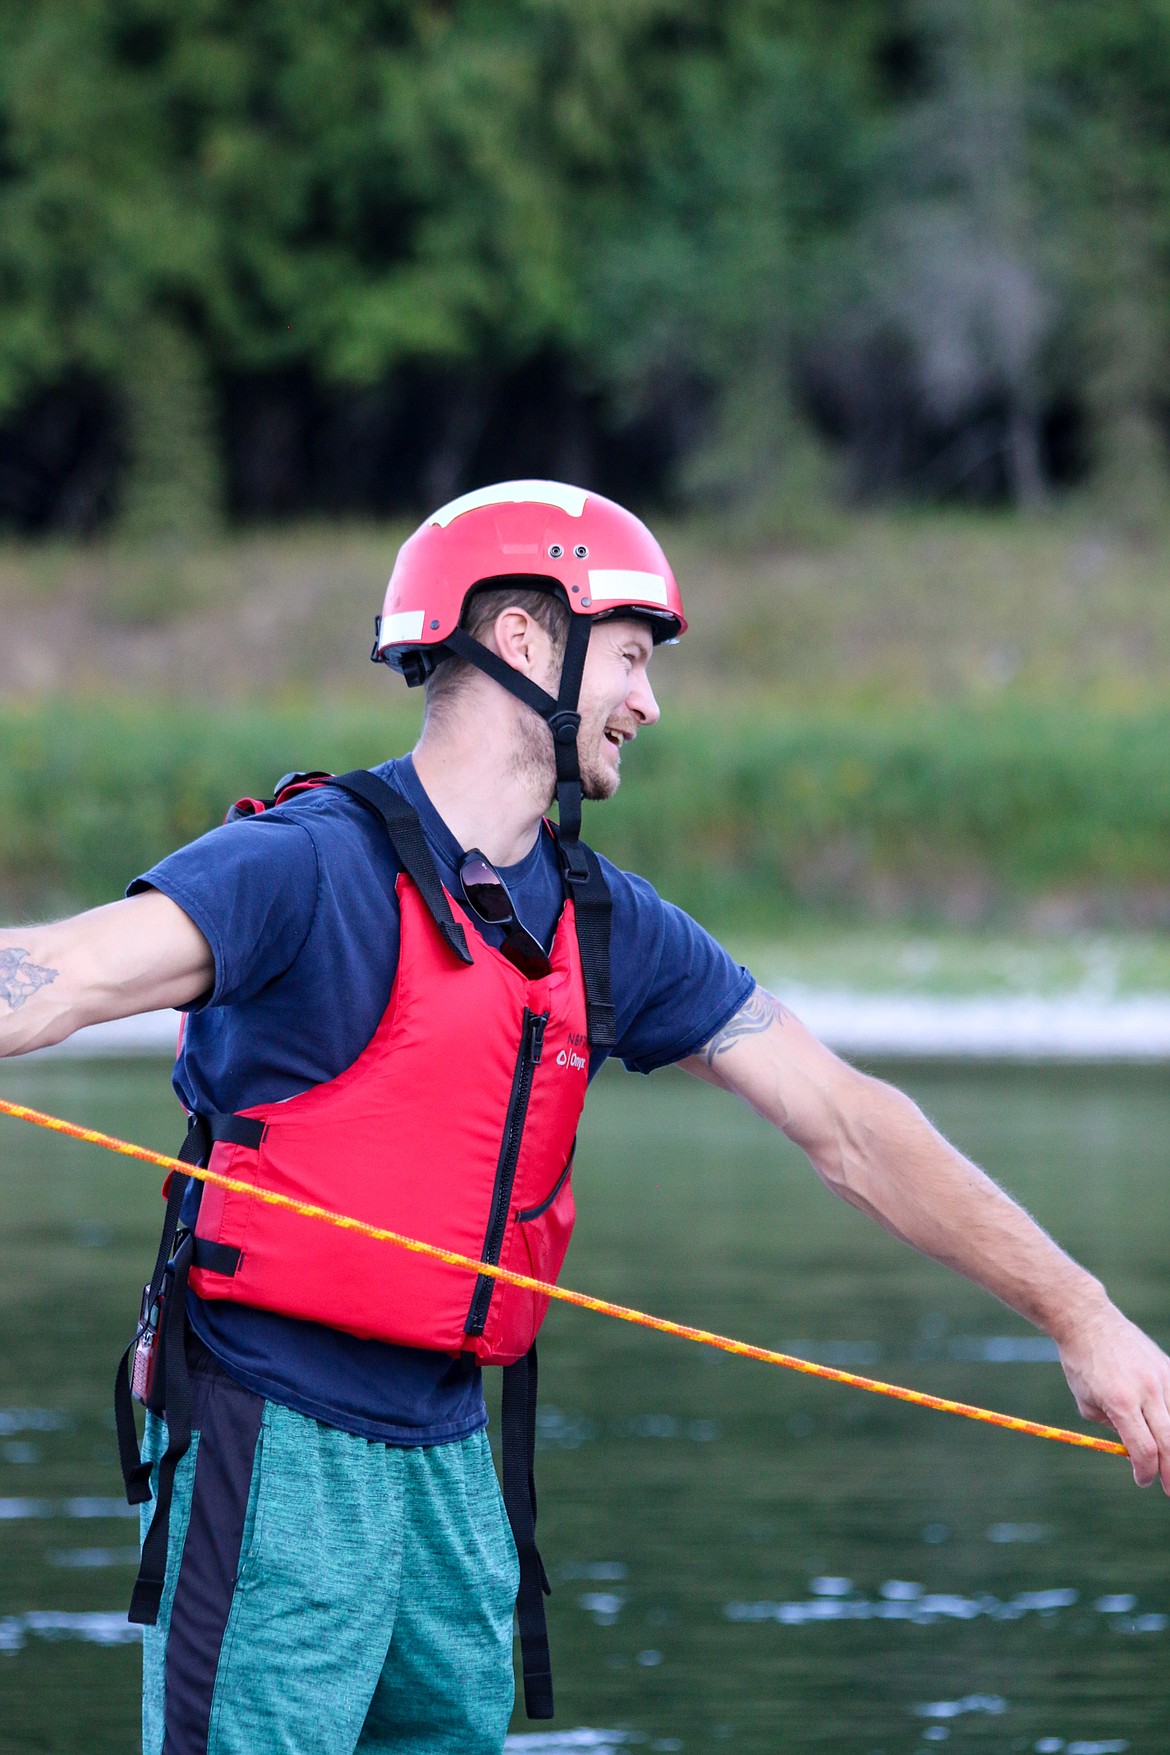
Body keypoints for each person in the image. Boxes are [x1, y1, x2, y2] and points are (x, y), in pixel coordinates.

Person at [1, 479, 1168, 1755]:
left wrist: (1085, 1317)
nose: (649, 701)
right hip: (274, 1446)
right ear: (520, 641)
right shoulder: (302, 865)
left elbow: (849, 1122)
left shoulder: (608, 925)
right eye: (627, 658)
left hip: (453, 1462)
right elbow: (62, 975)